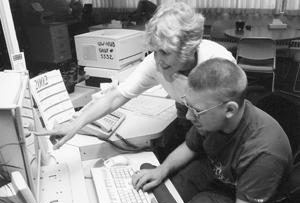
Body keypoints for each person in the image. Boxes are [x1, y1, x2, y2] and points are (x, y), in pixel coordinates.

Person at [34, 2, 236, 150]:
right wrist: (76, 125)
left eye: (164, 52)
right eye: (154, 51)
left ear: (187, 48)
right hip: (186, 114)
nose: (157, 60)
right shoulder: (156, 63)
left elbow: (232, 116)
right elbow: (116, 96)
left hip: (217, 121)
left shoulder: (219, 63)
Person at [131, 58, 293, 203]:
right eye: (188, 105)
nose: (188, 117)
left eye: (196, 111)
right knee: (150, 197)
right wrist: (160, 170)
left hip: (233, 195)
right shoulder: (212, 116)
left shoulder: (264, 152)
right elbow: (190, 146)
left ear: (230, 110)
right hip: (210, 170)